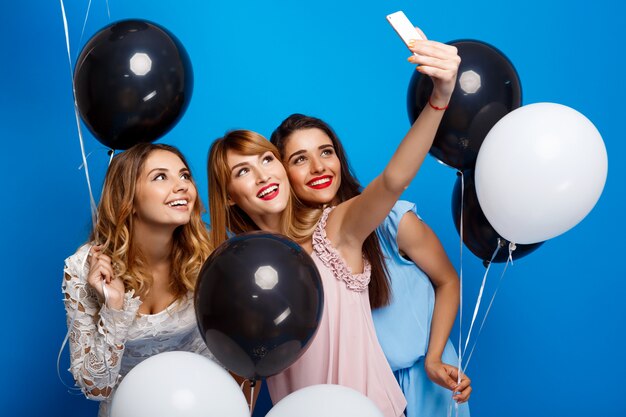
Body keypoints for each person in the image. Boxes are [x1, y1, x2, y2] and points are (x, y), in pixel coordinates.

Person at [207, 34, 462, 417]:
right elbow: (243, 377)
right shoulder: (236, 273)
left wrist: (439, 97)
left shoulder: (335, 230)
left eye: (266, 160)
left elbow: (392, 181)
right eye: (243, 170)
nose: (262, 176)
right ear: (228, 195)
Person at [270, 112, 472, 415]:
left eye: (326, 152)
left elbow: (448, 280)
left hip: (430, 379)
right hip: (359, 394)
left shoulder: (393, 221)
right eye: (300, 159)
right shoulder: (294, 257)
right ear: (283, 174)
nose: (318, 167)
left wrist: (433, 358)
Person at [62, 143, 215, 417]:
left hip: (199, 405)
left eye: (184, 175)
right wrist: (114, 306)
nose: (182, 186)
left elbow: (217, 356)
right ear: (128, 199)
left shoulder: (206, 256)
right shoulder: (84, 267)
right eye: (160, 177)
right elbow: (94, 387)